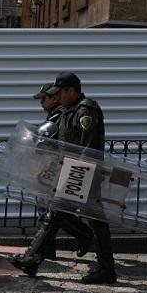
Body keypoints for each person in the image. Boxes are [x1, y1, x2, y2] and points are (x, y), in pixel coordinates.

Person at [9, 72, 115, 284]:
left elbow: (87, 148)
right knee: (90, 222)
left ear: (71, 90)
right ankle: (105, 268)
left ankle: (32, 259)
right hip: (72, 173)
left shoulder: (86, 110)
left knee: (57, 216)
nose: (58, 97)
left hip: (83, 174)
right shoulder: (69, 110)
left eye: (61, 92)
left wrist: (73, 176)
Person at [32, 82, 92, 260]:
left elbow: (53, 142)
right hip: (53, 168)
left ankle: (82, 234)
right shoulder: (58, 114)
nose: (41, 103)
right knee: (50, 211)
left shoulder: (61, 114)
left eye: (44, 99)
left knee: (51, 212)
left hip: (57, 168)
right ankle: (48, 249)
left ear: (54, 97)